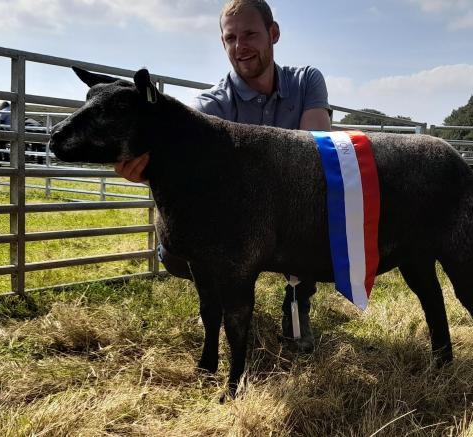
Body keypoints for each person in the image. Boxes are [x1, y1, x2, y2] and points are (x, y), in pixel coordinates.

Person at [114, 0, 331, 352]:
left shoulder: (306, 81)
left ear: (273, 34)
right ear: (222, 43)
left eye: (250, 34)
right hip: (235, 225)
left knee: (315, 211)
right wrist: (143, 167)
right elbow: (176, 156)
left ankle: (296, 303)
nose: (240, 46)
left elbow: (316, 152)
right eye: (230, 38)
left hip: (289, 215)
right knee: (175, 252)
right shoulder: (208, 107)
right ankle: (218, 303)